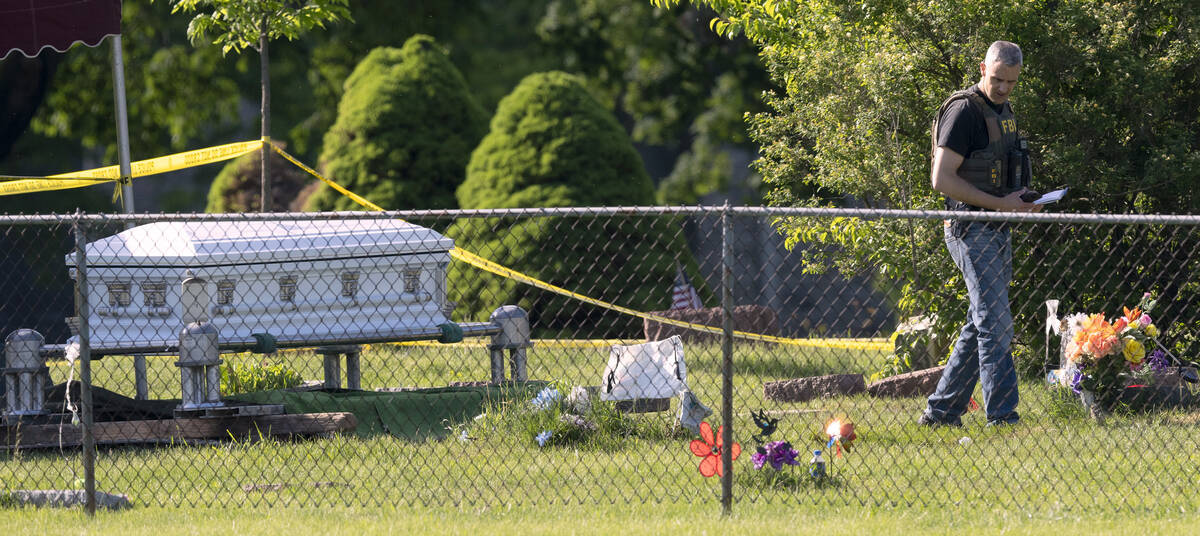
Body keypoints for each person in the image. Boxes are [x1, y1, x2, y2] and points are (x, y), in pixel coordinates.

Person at [919, 41, 1041, 427]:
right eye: (997, 78)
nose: (1003, 88)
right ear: (982, 67)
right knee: (995, 321)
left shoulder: (1003, 110)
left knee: (981, 322)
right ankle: (1003, 417)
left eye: (1011, 81)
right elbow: (941, 180)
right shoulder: (964, 110)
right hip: (969, 228)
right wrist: (1001, 205)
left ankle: (941, 413)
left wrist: (1021, 200)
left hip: (997, 226)